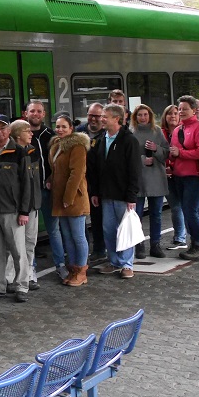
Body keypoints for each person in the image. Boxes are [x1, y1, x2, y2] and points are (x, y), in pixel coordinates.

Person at [87, 105, 142, 279]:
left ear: (116, 119)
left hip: (122, 195)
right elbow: (94, 169)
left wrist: (131, 195)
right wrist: (95, 192)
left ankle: (127, 264)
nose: (101, 119)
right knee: (109, 230)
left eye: (105, 116)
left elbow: (134, 170)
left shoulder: (129, 140)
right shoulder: (101, 139)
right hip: (105, 194)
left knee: (124, 230)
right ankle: (114, 261)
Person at [0, 115, 31, 303]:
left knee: (18, 251)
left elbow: (27, 183)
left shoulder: (20, 152)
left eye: (2, 128)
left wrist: (24, 211)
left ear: (9, 131)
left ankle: (22, 285)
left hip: (13, 210)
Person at [47, 115, 91, 286]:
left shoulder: (77, 146)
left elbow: (76, 173)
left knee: (78, 236)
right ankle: (73, 270)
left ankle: (82, 271)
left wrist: (68, 197)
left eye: (64, 126)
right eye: (57, 126)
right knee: (67, 235)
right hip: (61, 198)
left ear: (71, 128)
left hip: (74, 198)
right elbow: (57, 169)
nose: (60, 130)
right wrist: (50, 179)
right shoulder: (56, 145)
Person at [167, 96, 199, 261]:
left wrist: (181, 154)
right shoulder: (178, 129)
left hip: (196, 175)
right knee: (187, 211)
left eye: (185, 109)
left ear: (194, 110)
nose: (181, 112)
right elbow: (173, 152)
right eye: (179, 109)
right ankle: (195, 244)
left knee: (190, 211)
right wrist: (170, 165)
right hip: (179, 175)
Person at [25, 101, 66, 279]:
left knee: (54, 230)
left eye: (39, 111)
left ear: (44, 114)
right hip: (30, 193)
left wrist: (52, 179)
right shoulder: (20, 135)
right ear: (25, 113)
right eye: (32, 111)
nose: (36, 114)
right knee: (30, 234)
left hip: (48, 191)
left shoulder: (51, 135)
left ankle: (61, 264)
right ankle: (31, 268)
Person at [130, 104, 170, 259]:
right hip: (139, 179)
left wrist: (155, 149)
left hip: (156, 178)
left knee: (156, 214)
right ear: (135, 117)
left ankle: (155, 244)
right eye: (140, 115)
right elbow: (127, 156)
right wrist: (141, 160)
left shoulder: (157, 131)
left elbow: (166, 153)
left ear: (150, 116)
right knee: (137, 214)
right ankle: (139, 245)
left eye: (146, 114)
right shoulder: (131, 133)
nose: (143, 118)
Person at [9, 119, 40, 290]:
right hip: (20, 207)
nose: (31, 133)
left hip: (33, 205)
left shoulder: (32, 151)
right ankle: (13, 278)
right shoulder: (15, 153)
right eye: (27, 130)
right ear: (17, 134)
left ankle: (29, 274)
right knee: (15, 245)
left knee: (30, 242)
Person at [76, 102, 106, 262]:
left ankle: (100, 249)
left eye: (97, 116)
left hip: (100, 183)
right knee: (79, 217)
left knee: (98, 217)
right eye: (90, 115)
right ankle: (84, 248)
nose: (93, 119)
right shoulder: (79, 132)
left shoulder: (107, 134)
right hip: (81, 181)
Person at [161, 104, 188, 250]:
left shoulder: (184, 131)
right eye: (169, 113)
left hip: (182, 173)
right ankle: (180, 237)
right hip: (166, 175)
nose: (173, 116)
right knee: (176, 206)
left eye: (176, 113)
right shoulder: (160, 133)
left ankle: (191, 237)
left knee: (188, 206)